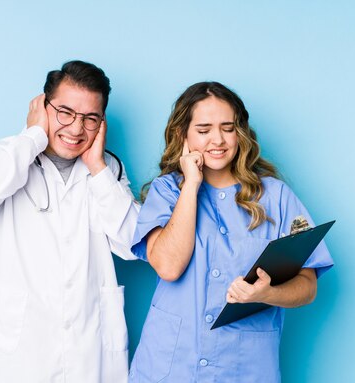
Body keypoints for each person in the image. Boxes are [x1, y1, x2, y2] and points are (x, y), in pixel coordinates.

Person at [129, 82, 334, 382]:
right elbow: (169, 267)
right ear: (182, 135)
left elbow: (308, 285)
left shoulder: (276, 197)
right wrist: (191, 184)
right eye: (203, 130)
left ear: (241, 133)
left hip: (244, 367)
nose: (218, 140)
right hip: (171, 366)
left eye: (228, 128)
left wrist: (270, 293)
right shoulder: (168, 191)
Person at [0, 60, 139, 383]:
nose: (76, 128)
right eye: (64, 112)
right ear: (42, 106)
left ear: (102, 123)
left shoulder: (108, 171)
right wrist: (33, 137)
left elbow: (134, 243)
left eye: (90, 118)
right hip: (15, 359)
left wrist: (97, 168)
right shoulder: (1, 155)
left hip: (88, 355)